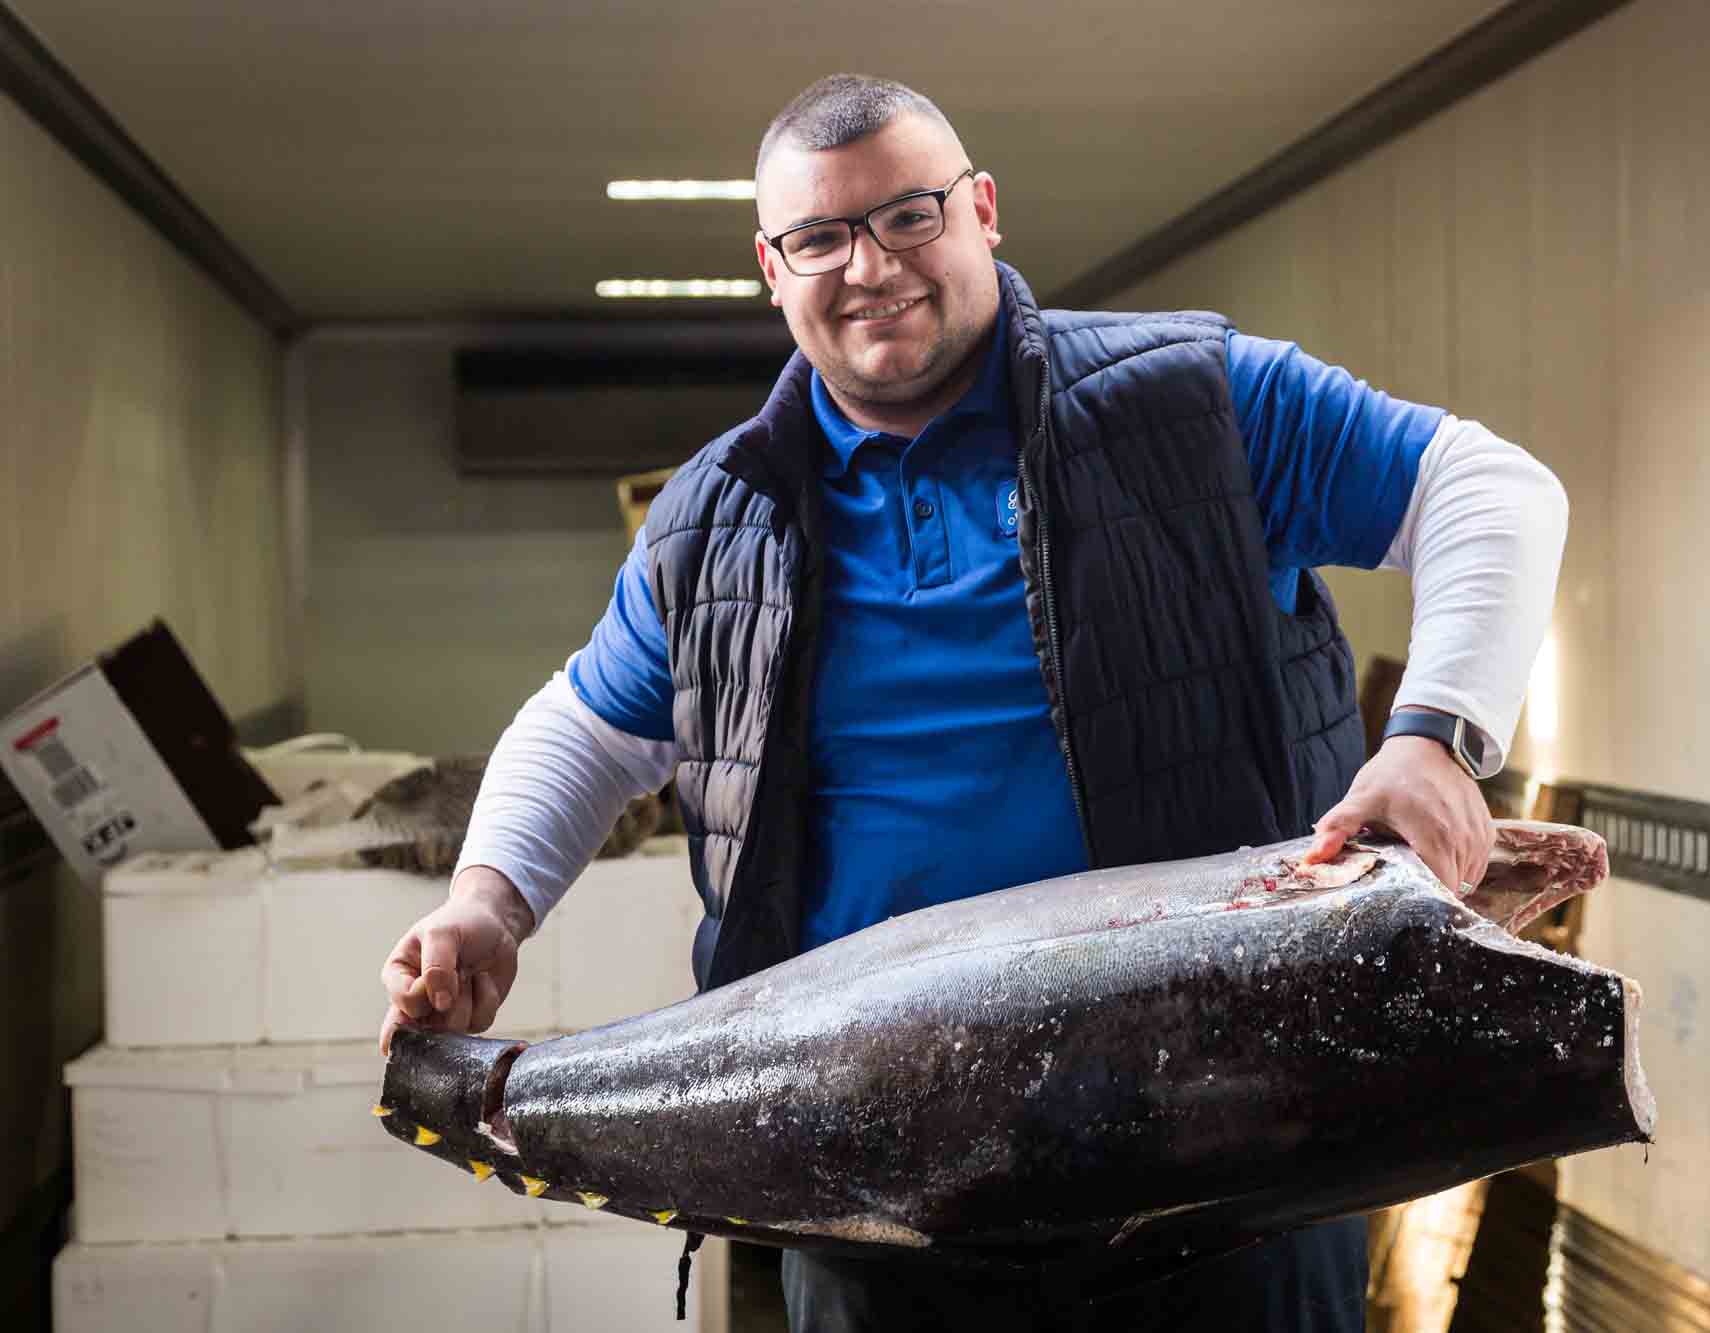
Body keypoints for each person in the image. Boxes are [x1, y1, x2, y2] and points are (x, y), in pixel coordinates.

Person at [379, 73, 1566, 1333]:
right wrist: (486, 903)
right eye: (820, 237)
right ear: (771, 268)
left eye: (907, 216)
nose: (868, 265)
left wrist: (1435, 737)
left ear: (983, 211)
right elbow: (588, 722)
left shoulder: (1194, 403)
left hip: (1218, 1165)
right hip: (871, 1191)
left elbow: (1482, 485)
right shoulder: (714, 516)